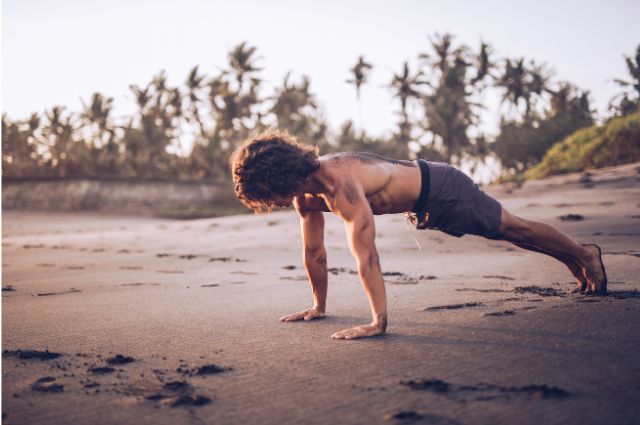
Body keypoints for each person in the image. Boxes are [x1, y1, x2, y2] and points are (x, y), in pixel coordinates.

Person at [230, 130, 608, 340]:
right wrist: (319, 307)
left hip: (442, 187)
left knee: (512, 229)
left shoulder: (339, 184)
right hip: (422, 203)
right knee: (507, 233)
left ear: (278, 177)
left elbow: (366, 255)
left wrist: (378, 323)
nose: (270, 202)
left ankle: (584, 254)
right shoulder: (305, 198)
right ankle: (577, 259)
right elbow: (314, 252)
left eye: (266, 192)